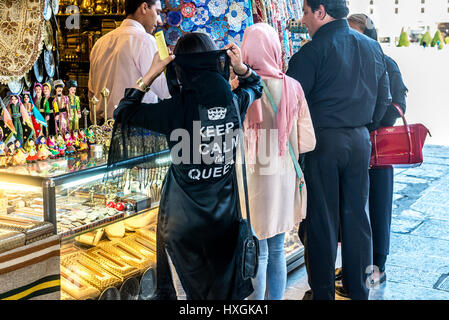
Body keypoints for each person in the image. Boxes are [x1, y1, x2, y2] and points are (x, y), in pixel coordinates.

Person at [108, 32, 263, 299]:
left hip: (181, 225)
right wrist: (240, 68)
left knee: (185, 295)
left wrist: (152, 72)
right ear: (215, 62)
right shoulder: (234, 103)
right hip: (224, 219)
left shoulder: (174, 109)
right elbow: (256, 86)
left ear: (179, 69)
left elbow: (123, 111)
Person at [286, 0, 391, 300]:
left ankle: (323, 293)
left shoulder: (313, 51)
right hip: (359, 140)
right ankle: (358, 292)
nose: (303, 19)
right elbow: (383, 99)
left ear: (321, 11)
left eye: (305, 12)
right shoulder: (372, 48)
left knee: (322, 220)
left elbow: (293, 101)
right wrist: (363, 127)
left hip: (323, 141)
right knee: (358, 218)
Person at [240, 23, 316, 300]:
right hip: (282, 178)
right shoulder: (293, 87)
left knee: (256, 248)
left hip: (248, 180)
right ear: (275, 48)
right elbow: (308, 141)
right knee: (275, 249)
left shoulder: (238, 88)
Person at [332, 14, 408, 293]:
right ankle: (354, 266)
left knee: (376, 210)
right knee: (352, 213)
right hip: (352, 150)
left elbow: (397, 105)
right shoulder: (345, 63)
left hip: (377, 152)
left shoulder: (386, 63)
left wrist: (365, 124)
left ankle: (377, 267)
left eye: (357, 33)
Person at [88, 0, 170, 124]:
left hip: (101, 128)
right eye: (157, 12)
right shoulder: (146, 41)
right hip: (134, 129)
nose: (160, 21)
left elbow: (92, 92)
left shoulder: (100, 43)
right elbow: (164, 91)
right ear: (144, 7)